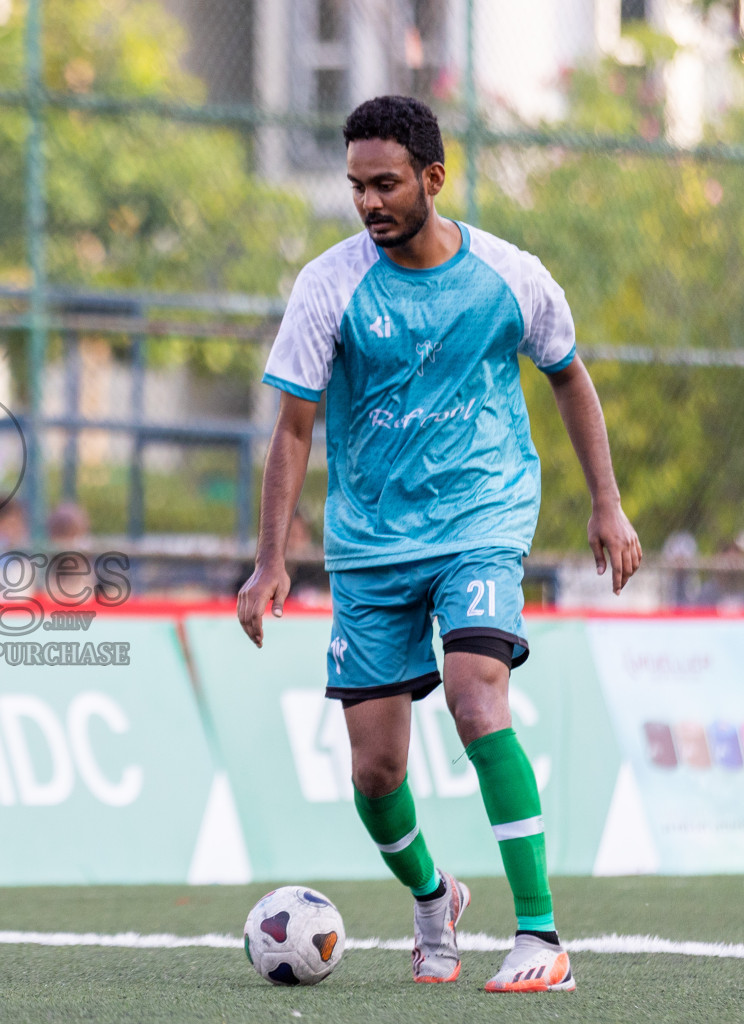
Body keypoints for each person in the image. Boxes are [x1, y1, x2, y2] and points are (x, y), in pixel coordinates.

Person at [236, 96, 641, 994]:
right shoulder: (327, 285)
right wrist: (272, 560)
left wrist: (607, 505)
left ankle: (541, 937)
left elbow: (570, 379)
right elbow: (293, 429)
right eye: (355, 187)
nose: (369, 202)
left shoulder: (511, 275)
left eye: (385, 184)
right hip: (370, 546)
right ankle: (434, 897)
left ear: (433, 177)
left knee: (473, 696)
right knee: (376, 770)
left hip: (481, 524)